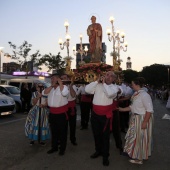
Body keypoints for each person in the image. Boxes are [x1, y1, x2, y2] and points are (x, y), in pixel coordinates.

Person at [85, 71, 120, 166]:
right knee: (96, 134)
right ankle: (98, 151)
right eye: (106, 75)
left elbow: (109, 94)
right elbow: (87, 90)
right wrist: (96, 81)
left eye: (110, 76)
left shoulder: (114, 87)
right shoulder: (98, 85)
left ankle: (105, 156)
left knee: (105, 136)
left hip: (105, 115)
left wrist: (104, 83)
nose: (107, 77)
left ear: (113, 79)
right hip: (95, 113)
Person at [119, 77, 154, 165]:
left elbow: (149, 110)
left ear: (137, 85)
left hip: (142, 118)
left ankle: (139, 158)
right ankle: (134, 153)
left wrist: (145, 122)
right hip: (136, 118)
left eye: (132, 84)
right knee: (135, 138)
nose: (131, 86)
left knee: (141, 139)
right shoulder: (136, 94)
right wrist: (122, 109)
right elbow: (132, 107)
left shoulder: (145, 95)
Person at [44, 73, 69, 156]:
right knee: (54, 132)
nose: (52, 80)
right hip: (52, 114)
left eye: (54, 78)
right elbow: (44, 92)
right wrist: (52, 86)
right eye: (51, 79)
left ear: (58, 79)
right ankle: (54, 147)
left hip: (61, 114)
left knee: (62, 133)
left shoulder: (64, 87)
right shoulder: (51, 89)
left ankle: (62, 149)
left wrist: (60, 83)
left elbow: (65, 94)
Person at [61, 74, 78, 146]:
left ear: (68, 78)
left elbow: (74, 95)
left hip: (71, 108)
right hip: (63, 107)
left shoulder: (73, 86)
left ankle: (72, 139)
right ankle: (62, 140)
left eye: (65, 78)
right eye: (62, 78)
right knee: (62, 126)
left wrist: (70, 86)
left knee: (72, 125)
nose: (64, 79)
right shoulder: (61, 87)